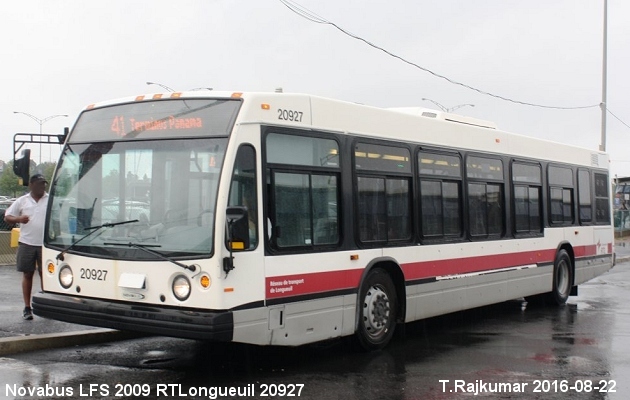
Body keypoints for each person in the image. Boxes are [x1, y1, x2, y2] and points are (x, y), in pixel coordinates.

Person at [3, 174, 49, 320]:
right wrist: (19, 219)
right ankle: (27, 307)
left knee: (46, 275)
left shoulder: (49, 199)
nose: (42, 187)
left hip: (46, 245)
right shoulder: (22, 201)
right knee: (27, 274)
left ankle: (47, 305)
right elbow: (7, 217)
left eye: (43, 184)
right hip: (27, 243)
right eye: (39, 184)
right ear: (31, 185)